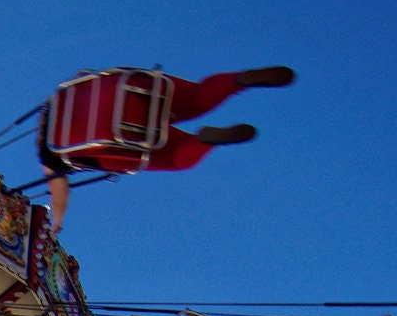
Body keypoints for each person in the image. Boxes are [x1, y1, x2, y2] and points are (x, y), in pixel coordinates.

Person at [40, 67, 295, 231]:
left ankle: (205, 141)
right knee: (196, 97)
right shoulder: (68, 93)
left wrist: (58, 220)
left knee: (177, 158)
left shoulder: (49, 152)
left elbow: (59, 189)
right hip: (136, 92)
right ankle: (237, 81)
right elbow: (96, 74)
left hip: (121, 141)